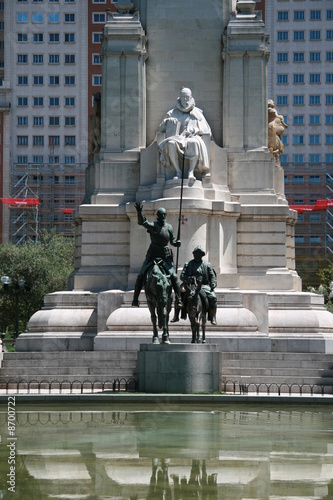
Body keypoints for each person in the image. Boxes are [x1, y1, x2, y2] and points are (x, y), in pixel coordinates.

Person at [132, 202, 183, 308]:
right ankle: (135, 299)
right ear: (158, 216)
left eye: (164, 214)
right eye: (161, 214)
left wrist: (176, 243)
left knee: (173, 276)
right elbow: (142, 222)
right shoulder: (153, 226)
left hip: (165, 256)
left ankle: (179, 299)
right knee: (141, 274)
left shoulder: (169, 227)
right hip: (153, 255)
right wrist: (139, 212)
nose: (163, 216)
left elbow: (172, 240)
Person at [158, 88, 211, 181]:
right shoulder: (172, 112)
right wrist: (167, 122)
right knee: (170, 143)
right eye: (183, 98)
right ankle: (178, 171)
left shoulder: (197, 113)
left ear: (191, 98)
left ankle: (191, 172)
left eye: (187, 97)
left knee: (194, 142)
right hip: (177, 138)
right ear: (179, 99)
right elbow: (160, 129)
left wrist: (195, 130)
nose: (185, 100)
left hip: (191, 136)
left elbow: (206, 130)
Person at [172, 245, 217, 325]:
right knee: (179, 295)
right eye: (196, 253)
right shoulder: (188, 264)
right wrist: (188, 279)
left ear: (202, 255)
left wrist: (213, 283)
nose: (197, 255)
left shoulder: (207, 264)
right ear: (193, 254)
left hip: (203, 285)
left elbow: (212, 275)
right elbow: (182, 276)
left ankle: (212, 316)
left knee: (213, 297)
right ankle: (176, 315)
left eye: (199, 254)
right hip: (190, 285)